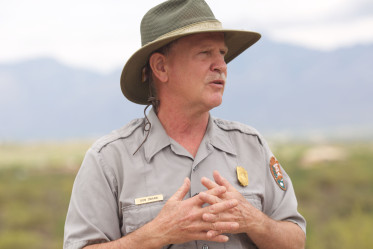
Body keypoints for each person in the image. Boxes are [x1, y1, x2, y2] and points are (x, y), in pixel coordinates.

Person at [63, 0, 306, 248]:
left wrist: (254, 220)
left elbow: (296, 241)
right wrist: (158, 233)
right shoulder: (109, 160)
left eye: (222, 53)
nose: (221, 65)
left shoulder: (252, 146)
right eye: (205, 53)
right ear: (161, 67)